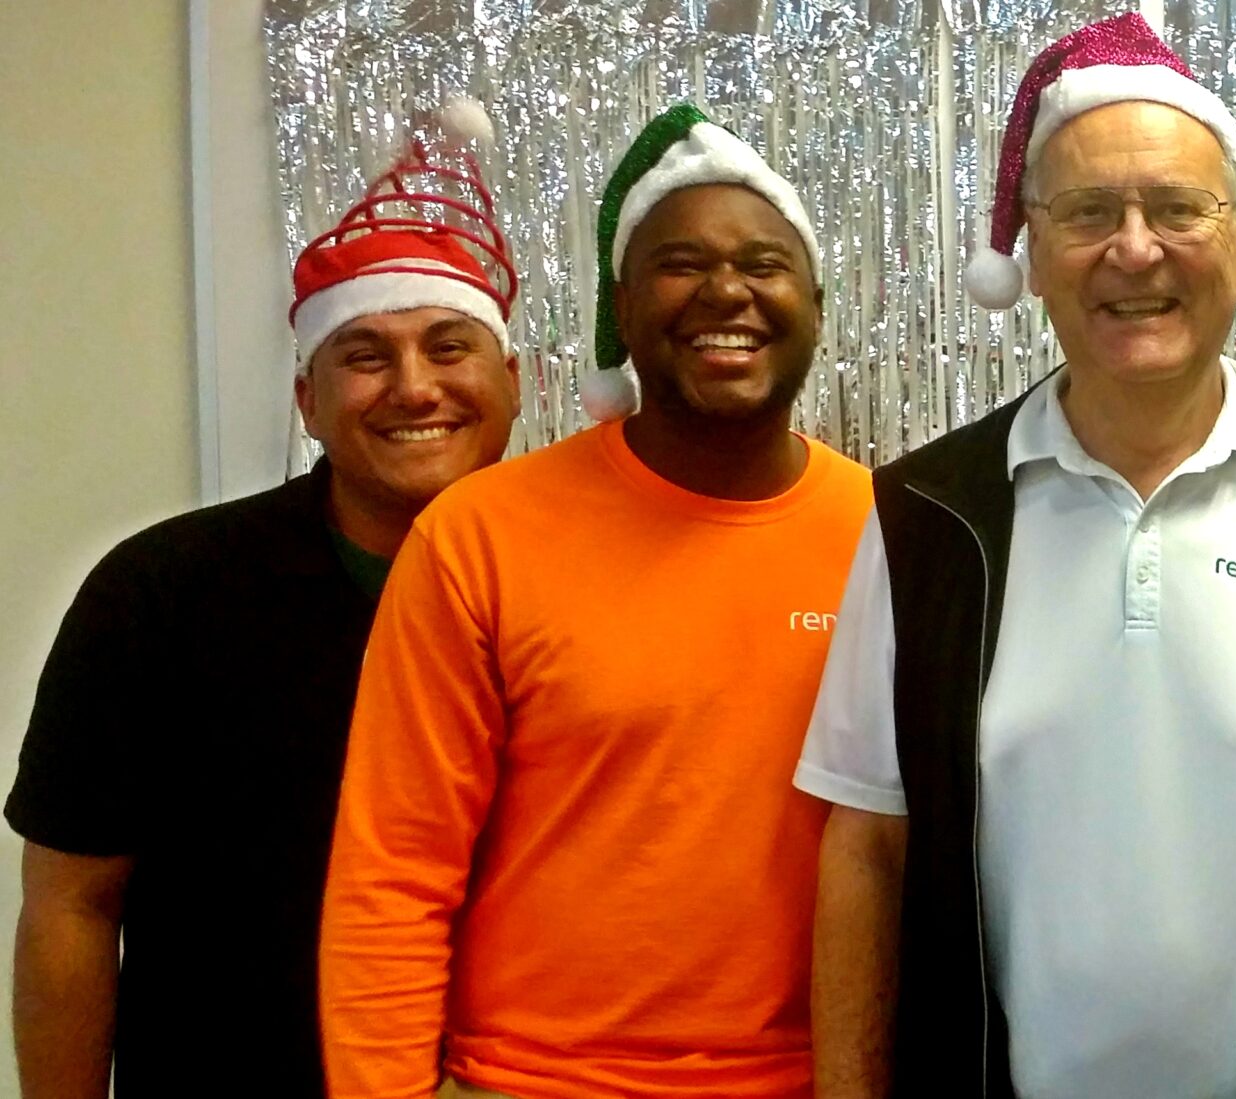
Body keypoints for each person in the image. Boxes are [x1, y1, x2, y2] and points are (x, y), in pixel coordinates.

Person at [795, 13, 1236, 1098]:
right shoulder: (928, 515)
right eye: (1088, 212)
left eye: (1177, 208)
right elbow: (868, 847)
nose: (1135, 248)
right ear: (1032, 256)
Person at [318, 102, 874, 1099]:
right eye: (680, 263)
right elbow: (392, 876)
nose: (725, 291)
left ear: (816, 307)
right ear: (621, 309)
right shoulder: (479, 536)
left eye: (763, 264)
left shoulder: (891, 536)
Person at [6, 100, 519, 1099]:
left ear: (515, 378)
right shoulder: (163, 594)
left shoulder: (581, 582)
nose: (413, 388)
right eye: (365, 356)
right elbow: (70, 903)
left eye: (449, 347)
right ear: (308, 401)